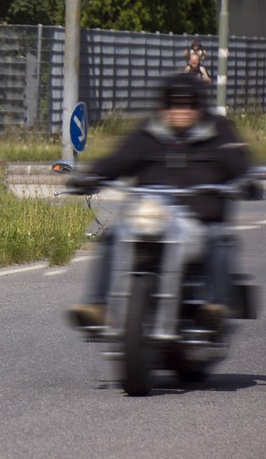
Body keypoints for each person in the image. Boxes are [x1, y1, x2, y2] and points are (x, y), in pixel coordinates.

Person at [67, 72, 252, 331]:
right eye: (172, 103)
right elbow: (119, 160)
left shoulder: (219, 131)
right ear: (163, 106)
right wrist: (90, 176)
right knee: (114, 235)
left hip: (200, 217)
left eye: (187, 104)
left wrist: (247, 180)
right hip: (153, 216)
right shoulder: (149, 132)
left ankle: (215, 307)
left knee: (219, 239)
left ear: (198, 106)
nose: (179, 110)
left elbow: (239, 163)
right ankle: (98, 305)